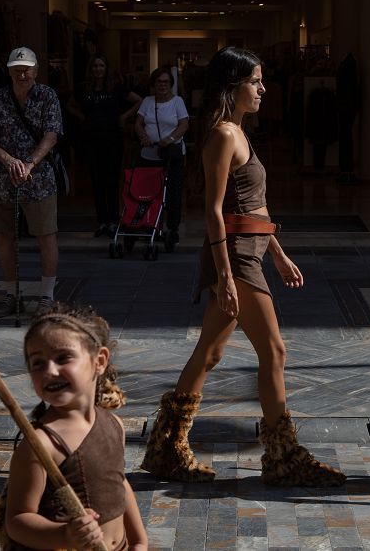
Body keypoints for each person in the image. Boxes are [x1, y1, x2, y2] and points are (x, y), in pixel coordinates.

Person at [139, 46, 346, 487]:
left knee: (209, 353)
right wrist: (227, 277)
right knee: (274, 351)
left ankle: (167, 448)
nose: (263, 88)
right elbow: (214, 212)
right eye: (255, 81)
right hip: (233, 259)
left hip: (249, 255)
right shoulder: (223, 136)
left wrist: (278, 252)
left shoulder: (240, 133)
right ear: (232, 87)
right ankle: (283, 456)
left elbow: (253, 206)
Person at [0, 304, 148, 550]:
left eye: (63, 357)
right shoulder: (40, 445)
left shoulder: (113, 424)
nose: (50, 371)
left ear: (99, 361)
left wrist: (139, 540)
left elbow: (119, 485)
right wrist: (65, 535)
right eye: (38, 363)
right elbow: (17, 520)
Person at [0, 46, 63, 318]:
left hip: (39, 179)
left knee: (45, 235)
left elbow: (52, 135)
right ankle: (11, 295)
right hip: (2, 179)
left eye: (27, 69)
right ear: (10, 71)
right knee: (2, 236)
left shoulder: (47, 96)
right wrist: (8, 160)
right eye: (17, 69)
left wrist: (29, 163)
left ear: (36, 71)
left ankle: (47, 296)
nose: (22, 74)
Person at [67, 55, 142, 237]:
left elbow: (140, 101)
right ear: (91, 69)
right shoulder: (84, 89)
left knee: (112, 180)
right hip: (92, 140)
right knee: (97, 181)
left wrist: (124, 117)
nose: (98, 69)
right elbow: (69, 105)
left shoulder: (116, 87)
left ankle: (114, 220)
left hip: (113, 140)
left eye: (101, 65)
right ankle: (102, 221)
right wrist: (83, 117)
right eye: (95, 66)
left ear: (106, 68)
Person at [134, 67, 189, 243]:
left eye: (166, 82)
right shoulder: (147, 102)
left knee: (173, 192)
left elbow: (184, 124)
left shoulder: (177, 101)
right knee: (147, 192)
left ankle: (172, 227)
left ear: (170, 84)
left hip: (171, 155)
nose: (162, 85)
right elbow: (138, 123)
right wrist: (143, 136)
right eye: (159, 82)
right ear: (153, 84)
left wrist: (170, 138)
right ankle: (149, 224)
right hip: (149, 155)